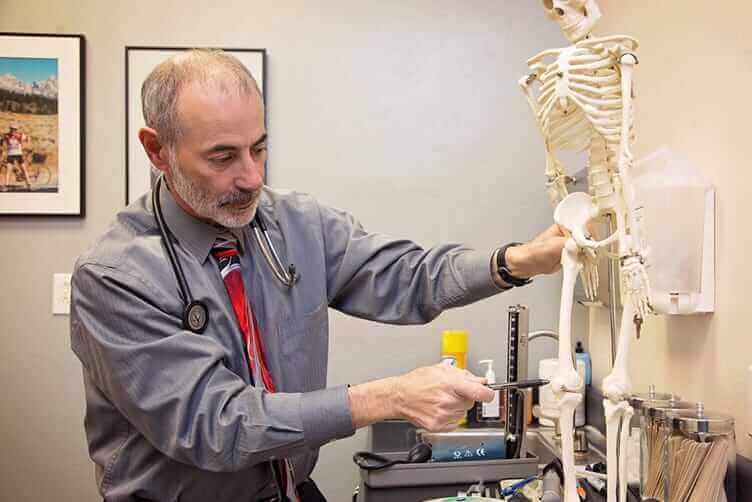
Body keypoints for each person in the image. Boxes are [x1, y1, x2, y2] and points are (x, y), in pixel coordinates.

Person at [70, 49, 567, 502]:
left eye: (259, 149)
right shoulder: (115, 277)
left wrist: (517, 261)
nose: (252, 178)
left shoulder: (294, 225)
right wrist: (387, 397)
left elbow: (405, 275)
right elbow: (217, 424)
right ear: (158, 150)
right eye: (223, 157)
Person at [1, 124, 32, 190]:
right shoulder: (6, 135)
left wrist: (28, 146)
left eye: (15, 129)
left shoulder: (20, 135)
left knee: (24, 169)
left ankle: (29, 184)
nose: (13, 130)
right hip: (10, 155)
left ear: (16, 130)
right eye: (12, 129)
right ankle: (6, 185)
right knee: (8, 170)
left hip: (19, 155)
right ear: (10, 129)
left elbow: (28, 138)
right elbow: (1, 138)